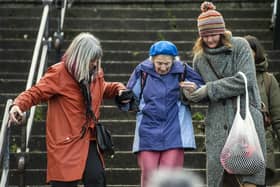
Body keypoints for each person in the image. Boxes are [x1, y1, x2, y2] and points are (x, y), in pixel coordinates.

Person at [9, 32, 131, 187]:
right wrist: (18, 105)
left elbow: (101, 88)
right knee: (64, 184)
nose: (95, 64)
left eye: (97, 60)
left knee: (96, 178)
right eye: (92, 60)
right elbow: (36, 92)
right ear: (81, 57)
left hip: (88, 139)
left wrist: (118, 89)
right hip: (65, 142)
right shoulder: (58, 73)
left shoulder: (96, 72)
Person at [181, 2, 266, 187]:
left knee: (251, 175)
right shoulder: (200, 58)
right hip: (218, 124)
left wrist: (208, 89)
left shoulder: (240, 46)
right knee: (218, 178)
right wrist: (191, 93)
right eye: (205, 36)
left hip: (246, 116)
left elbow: (245, 80)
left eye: (213, 34)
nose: (210, 39)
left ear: (222, 30)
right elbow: (202, 92)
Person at [124, 40, 204, 187]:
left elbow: (202, 87)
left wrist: (193, 89)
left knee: (170, 177)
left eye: (167, 63)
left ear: (173, 60)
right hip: (147, 130)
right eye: (159, 63)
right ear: (152, 59)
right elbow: (129, 96)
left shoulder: (182, 70)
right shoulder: (142, 70)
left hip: (174, 130)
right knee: (149, 175)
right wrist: (123, 100)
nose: (163, 67)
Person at [244, 35, 280, 186]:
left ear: (256, 53)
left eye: (248, 51)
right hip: (236, 143)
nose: (245, 55)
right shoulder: (230, 77)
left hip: (262, 142)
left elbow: (277, 116)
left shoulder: (268, 80)